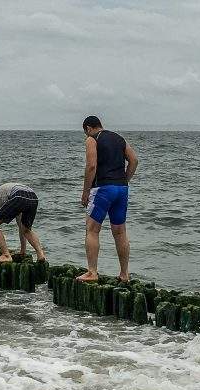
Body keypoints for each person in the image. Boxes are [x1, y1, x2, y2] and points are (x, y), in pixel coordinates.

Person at [77, 116, 138, 283]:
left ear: (88, 128)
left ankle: (92, 272)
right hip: (122, 189)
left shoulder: (92, 139)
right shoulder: (119, 138)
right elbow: (134, 160)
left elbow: (91, 166)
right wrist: (124, 180)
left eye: (85, 132)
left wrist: (85, 192)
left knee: (92, 229)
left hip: (103, 189)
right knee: (120, 232)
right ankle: (124, 274)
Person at [0, 182, 46, 264]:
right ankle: (40, 254)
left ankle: (6, 255)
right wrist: (23, 251)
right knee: (26, 229)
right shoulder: (4, 198)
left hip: (17, 195)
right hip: (33, 197)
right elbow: (21, 226)